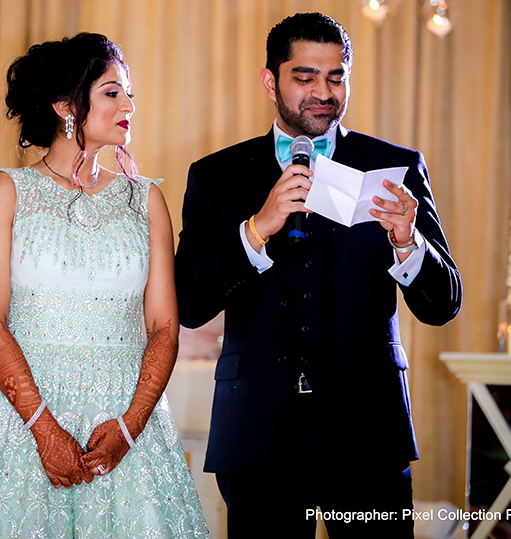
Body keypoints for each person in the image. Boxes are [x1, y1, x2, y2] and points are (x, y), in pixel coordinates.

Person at [175, 12, 462, 538]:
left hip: (368, 428)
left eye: (336, 77)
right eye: (305, 77)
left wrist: (408, 242)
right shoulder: (218, 175)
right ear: (271, 81)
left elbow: (444, 304)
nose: (323, 93)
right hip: (259, 432)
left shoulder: (394, 165)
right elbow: (189, 302)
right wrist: (255, 230)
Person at [0, 33, 208, 538]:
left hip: (124, 421)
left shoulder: (145, 201)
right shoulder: (5, 190)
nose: (130, 105)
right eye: (112, 92)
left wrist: (130, 425)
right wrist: (43, 428)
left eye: (129, 93)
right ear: (65, 107)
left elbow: (165, 327)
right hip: (22, 421)